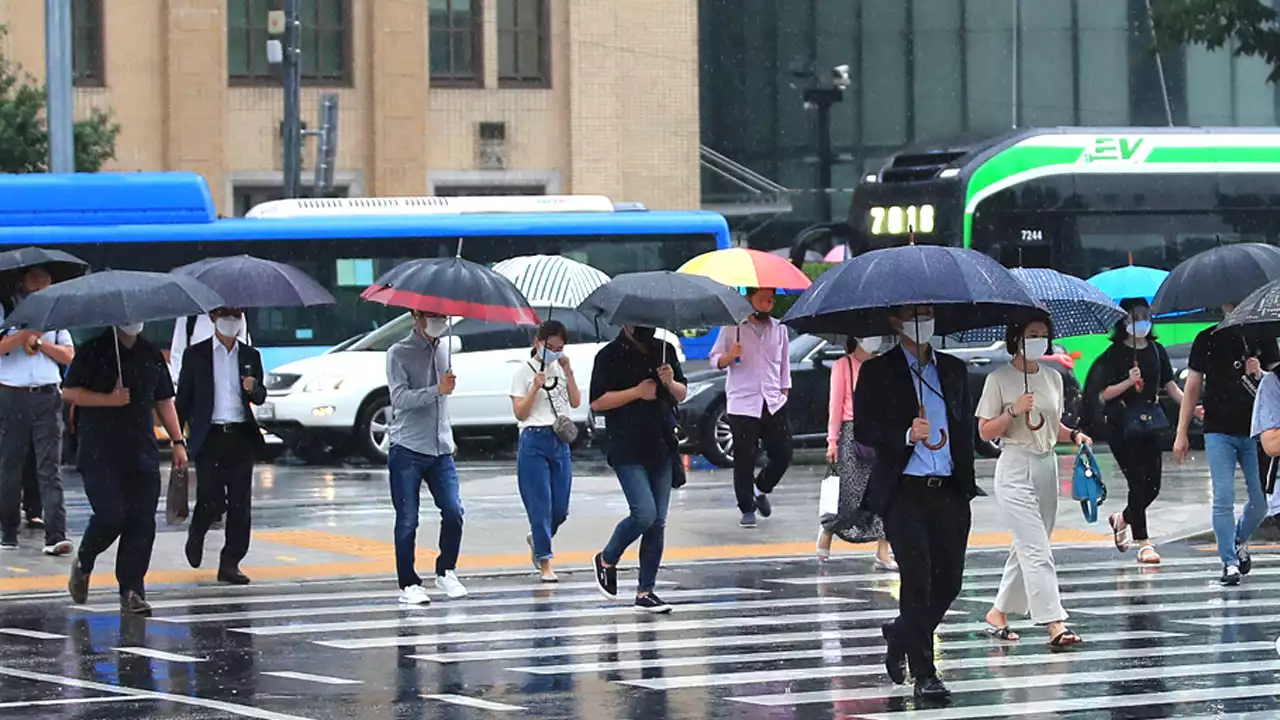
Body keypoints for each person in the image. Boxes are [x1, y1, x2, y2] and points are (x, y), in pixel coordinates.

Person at [853, 304, 975, 700]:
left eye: (928, 312)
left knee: (950, 580)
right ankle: (925, 672)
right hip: (904, 491)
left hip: (950, 490)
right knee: (917, 579)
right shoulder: (876, 370)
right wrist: (906, 433)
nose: (923, 319)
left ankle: (901, 631)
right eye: (914, 313)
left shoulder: (953, 370)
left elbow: (964, 426)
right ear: (895, 321)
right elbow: (866, 430)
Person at [977, 318, 1090, 647]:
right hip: (1014, 467)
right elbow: (985, 431)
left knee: (1027, 546)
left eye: (1043, 336)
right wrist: (1012, 410)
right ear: (1016, 338)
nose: (1038, 341)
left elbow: (1054, 427)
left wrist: (1076, 435)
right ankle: (1055, 623)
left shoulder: (1053, 378)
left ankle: (998, 611)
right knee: (1037, 549)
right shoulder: (998, 379)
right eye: (1031, 335)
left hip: (1047, 466)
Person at [62, 323, 188, 616]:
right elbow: (68, 392)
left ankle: (132, 590)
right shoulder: (93, 350)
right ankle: (84, 560)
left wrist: (178, 439)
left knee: (142, 522)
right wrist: (107, 399)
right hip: (99, 450)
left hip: (141, 450)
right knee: (112, 515)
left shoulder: (150, 353)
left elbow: (163, 399)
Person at [1174, 307, 1277, 585]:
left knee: (1259, 502)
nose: (1233, 307)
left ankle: (1236, 539)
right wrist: (1181, 432)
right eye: (1229, 303)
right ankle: (1229, 562)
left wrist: (1260, 373)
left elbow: (1276, 382)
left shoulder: (1263, 336)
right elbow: (1193, 386)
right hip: (1218, 430)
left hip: (1256, 431)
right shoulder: (1207, 338)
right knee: (1223, 497)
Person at [590, 324, 687, 614]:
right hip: (626, 446)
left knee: (658, 522)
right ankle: (607, 558)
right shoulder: (609, 355)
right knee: (644, 513)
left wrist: (669, 382)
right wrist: (635, 392)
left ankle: (646, 591)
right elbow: (597, 402)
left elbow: (681, 394)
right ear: (625, 322)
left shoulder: (664, 350)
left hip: (661, 445)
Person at [1083, 298, 1182, 565]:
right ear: (1123, 321)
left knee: (1153, 486)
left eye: (1145, 315)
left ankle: (1122, 519)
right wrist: (1128, 381)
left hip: (1150, 423)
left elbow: (1170, 386)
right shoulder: (1112, 355)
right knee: (1137, 483)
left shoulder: (1157, 350)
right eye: (1134, 316)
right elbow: (1100, 394)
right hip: (1121, 425)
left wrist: (1190, 408)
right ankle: (1144, 543)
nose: (1141, 322)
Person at [176, 307, 268, 585]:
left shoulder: (250, 356)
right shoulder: (196, 355)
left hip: (240, 435)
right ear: (213, 318)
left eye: (237, 315)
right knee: (212, 499)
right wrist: (177, 438)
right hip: (210, 436)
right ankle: (197, 531)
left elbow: (261, 396)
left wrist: (254, 388)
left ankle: (231, 562)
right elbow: (183, 400)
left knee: (240, 504)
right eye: (226, 315)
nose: (232, 321)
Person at [386, 309, 468, 605]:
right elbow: (399, 399)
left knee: (454, 510)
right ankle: (408, 583)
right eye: (433, 316)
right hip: (408, 446)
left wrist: (449, 435)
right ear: (416, 315)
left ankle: (446, 569)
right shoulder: (399, 352)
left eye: (443, 316)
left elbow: (444, 404)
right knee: (408, 519)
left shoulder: (444, 348)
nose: (439, 322)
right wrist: (436, 390)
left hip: (441, 448)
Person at [0, 265, 75, 554]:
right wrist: (21, 336)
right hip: (12, 393)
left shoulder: (55, 315)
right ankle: (8, 530)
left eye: (45, 280)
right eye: (34, 279)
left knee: (50, 467)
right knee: (10, 464)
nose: (40, 285)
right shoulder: (6, 309)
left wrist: (40, 342)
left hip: (47, 394)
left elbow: (68, 355)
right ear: (22, 282)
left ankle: (56, 534)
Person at [709, 287, 792, 528]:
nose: (767, 304)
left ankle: (761, 487)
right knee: (745, 458)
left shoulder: (780, 329)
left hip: (773, 401)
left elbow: (784, 364)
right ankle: (746, 507)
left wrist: (784, 391)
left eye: (771, 300)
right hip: (743, 402)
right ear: (750, 299)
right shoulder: (733, 328)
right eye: (762, 299)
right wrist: (728, 355)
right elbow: (715, 359)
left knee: (783, 453)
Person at [509, 320, 580, 583]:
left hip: (559, 438)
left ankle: (538, 539)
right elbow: (520, 412)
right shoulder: (523, 372)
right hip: (534, 438)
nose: (554, 352)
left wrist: (569, 371)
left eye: (559, 348)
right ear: (537, 343)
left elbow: (574, 401)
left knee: (559, 509)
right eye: (549, 346)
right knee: (540, 506)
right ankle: (545, 562)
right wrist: (534, 386)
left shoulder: (561, 369)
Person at [819, 335, 896, 570]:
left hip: (880, 432)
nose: (875, 340)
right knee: (849, 495)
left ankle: (883, 552)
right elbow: (835, 405)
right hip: (851, 432)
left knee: (885, 494)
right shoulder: (844, 365)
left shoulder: (884, 364)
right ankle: (828, 530)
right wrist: (832, 441)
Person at [169, 314, 250, 384]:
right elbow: (178, 353)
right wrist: (185, 384)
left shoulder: (237, 315)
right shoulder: (189, 316)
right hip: (199, 383)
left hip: (231, 383)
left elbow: (245, 347)